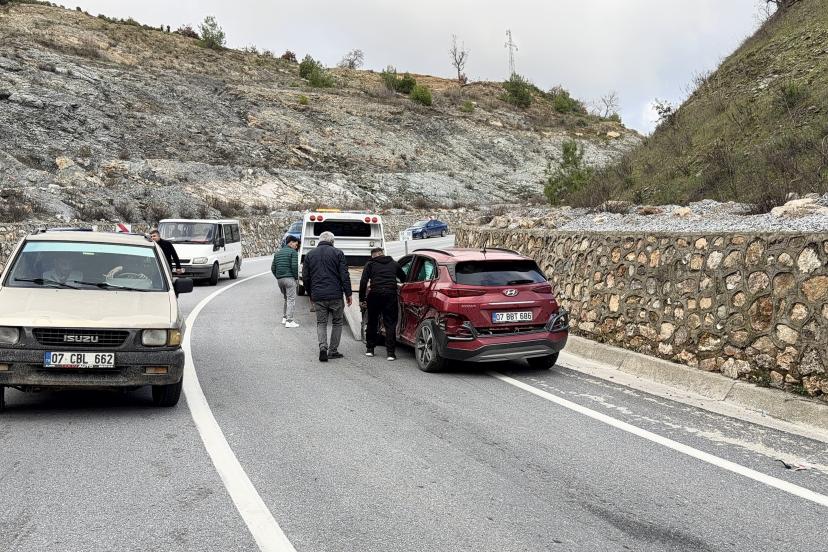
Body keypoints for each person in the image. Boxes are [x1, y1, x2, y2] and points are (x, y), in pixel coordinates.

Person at [302, 231, 352, 362]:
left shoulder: (310, 255)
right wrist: (348, 293)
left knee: (321, 323)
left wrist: (310, 294)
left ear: (319, 241)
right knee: (337, 322)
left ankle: (323, 348)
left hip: (318, 295)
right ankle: (333, 351)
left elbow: (305, 277)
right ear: (332, 241)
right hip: (336, 295)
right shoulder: (338, 253)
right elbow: (344, 275)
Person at [359, 247, 407, 361]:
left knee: (372, 322)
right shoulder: (394, 263)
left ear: (373, 256)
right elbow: (404, 278)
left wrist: (362, 298)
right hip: (390, 295)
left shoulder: (370, 264)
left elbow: (363, 281)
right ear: (382, 253)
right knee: (390, 323)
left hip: (375, 294)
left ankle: (370, 349)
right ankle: (390, 353)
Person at [271, 235, 300, 328]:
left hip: (280, 280)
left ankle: (284, 318)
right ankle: (289, 321)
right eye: (296, 244)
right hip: (289, 279)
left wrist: (278, 277)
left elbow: (273, 268)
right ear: (291, 243)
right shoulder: (293, 252)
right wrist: (296, 278)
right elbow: (294, 267)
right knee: (291, 299)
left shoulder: (278, 253)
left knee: (286, 299)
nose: (296, 246)